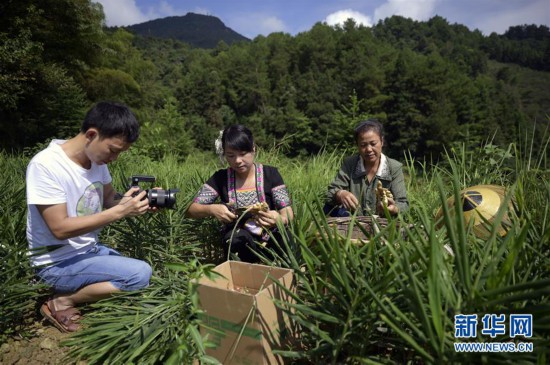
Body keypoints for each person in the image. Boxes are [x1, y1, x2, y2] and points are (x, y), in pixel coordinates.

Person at [26, 101, 154, 333]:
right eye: (113, 150)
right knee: (140, 274)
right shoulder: (46, 165)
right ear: (92, 134)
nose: (114, 158)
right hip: (56, 263)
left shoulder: (96, 160)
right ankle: (61, 301)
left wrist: (133, 202)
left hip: (88, 250)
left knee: (137, 268)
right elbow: (60, 229)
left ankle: (75, 290)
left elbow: (108, 198)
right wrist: (119, 212)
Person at [186, 125, 294, 263]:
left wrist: (280, 219)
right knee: (236, 238)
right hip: (238, 242)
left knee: (287, 237)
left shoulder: (270, 174)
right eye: (231, 155)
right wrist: (212, 209)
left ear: (253, 149)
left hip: (270, 237)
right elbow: (191, 209)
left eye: (243, 154)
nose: (237, 161)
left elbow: (288, 212)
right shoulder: (220, 178)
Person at [325, 119, 409, 217]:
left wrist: (394, 208)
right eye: (363, 145)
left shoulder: (394, 167)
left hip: (382, 223)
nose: (368, 149)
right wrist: (339, 194)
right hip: (353, 222)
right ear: (358, 146)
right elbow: (329, 194)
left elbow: (403, 203)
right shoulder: (350, 163)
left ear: (382, 141)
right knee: (327, 208)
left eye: (373, 144)